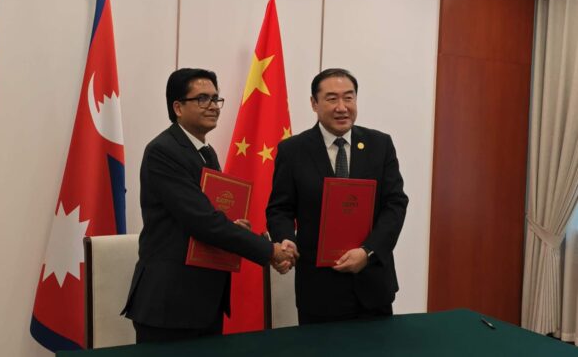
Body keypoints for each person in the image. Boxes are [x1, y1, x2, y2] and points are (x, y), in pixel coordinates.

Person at [122, 68, 294, 343]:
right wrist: (269, 250)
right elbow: (203, 221)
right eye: (202, 99)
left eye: (216, 99)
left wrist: (232, 225)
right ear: (178, 107)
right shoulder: (163, 151)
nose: (213, 106)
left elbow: (210, 215)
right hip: (170, 302)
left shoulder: (205, 152)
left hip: (204, 299)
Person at [266, 68, 408, 324]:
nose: (342, 107)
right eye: (332, 99)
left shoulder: (380, 144)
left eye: (348, 97)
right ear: (314, 103)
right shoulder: (293, 150)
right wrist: (286, 239)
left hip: (372, 285)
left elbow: (395, 204)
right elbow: (280, 209)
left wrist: (368, 252)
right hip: (319, 288)